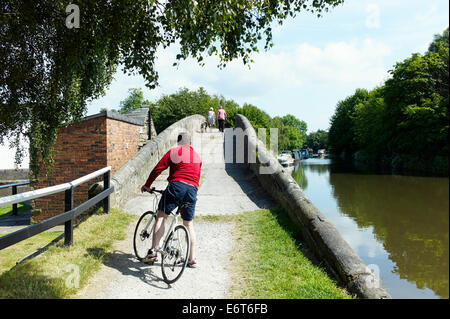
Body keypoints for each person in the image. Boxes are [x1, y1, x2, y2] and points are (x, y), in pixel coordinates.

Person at [140, 131, 201, 268]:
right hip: (192, 190)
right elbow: (196, 176)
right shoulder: (197, 156)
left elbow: (158, 169)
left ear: (178, 142)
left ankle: (153, 252)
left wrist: (147, 185)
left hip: (176, 186)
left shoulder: (174, 151)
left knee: (161, 216)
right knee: (189, 224)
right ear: (190, 143)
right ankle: (191, 259)